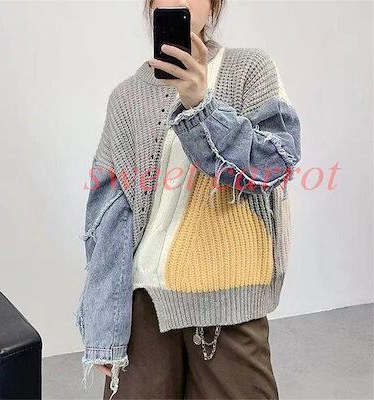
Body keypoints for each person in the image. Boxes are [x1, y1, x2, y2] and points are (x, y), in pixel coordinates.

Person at [75, 0, 301, 399]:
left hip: (228, 294)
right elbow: (108, 219)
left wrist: (201, 106)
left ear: (214, 5)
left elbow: (275, 165)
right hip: (144, 300)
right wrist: (103, 325)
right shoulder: (126, 97)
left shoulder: (250, 69)